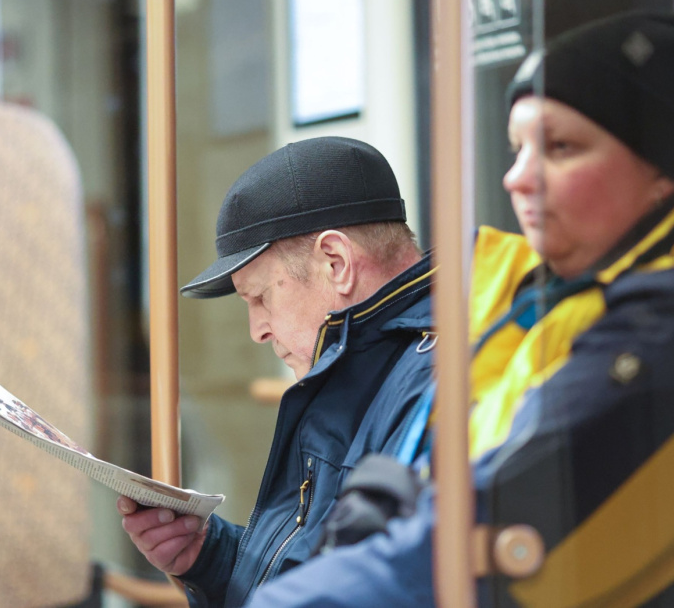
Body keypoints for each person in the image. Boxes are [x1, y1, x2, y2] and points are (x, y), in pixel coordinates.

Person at [246, 10, 674, 607]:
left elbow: (473, 528)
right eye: (518, 149)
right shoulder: (554, 298)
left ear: (664, 168)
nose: (516, 179)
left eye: (561, 147)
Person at [117, 136, 436, 607]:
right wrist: (212, 557)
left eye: (261, 297)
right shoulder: (357, 368)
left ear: (336, 263)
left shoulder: (437, 383)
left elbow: (387, 588)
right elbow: (321, 569)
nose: (257, 331)